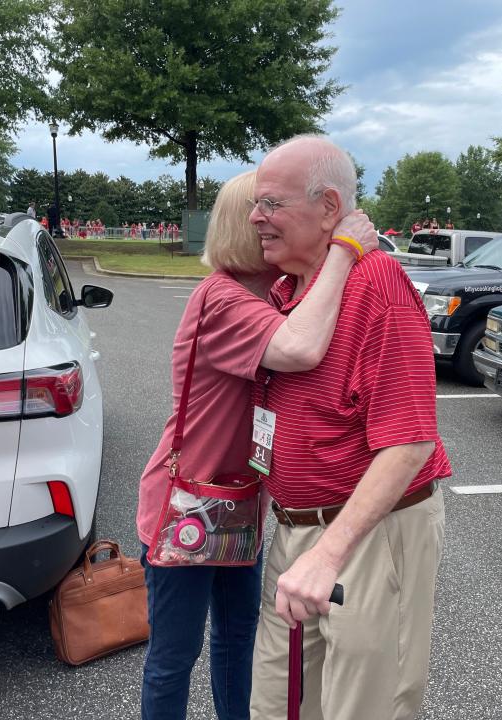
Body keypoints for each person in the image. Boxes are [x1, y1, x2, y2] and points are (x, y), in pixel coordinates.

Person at [136, 169, 378, 720]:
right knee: (174, 656)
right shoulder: (221, 299)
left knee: (238, 637)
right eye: (267, 209)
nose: (271, 221)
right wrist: (343, 250)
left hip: (240, 501)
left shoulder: (268, 293)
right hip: (187, 505)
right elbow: (299, 350)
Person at [247, 135, 451, 720]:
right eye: (256, 205)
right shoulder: (288, 290)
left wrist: (328, 554)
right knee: (276, 702)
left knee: (364, 708)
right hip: (296, 531)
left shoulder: (378, 281)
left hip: (366, 533)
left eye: (272, 204)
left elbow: (409, 442)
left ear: (329, 208)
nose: (257, 218)